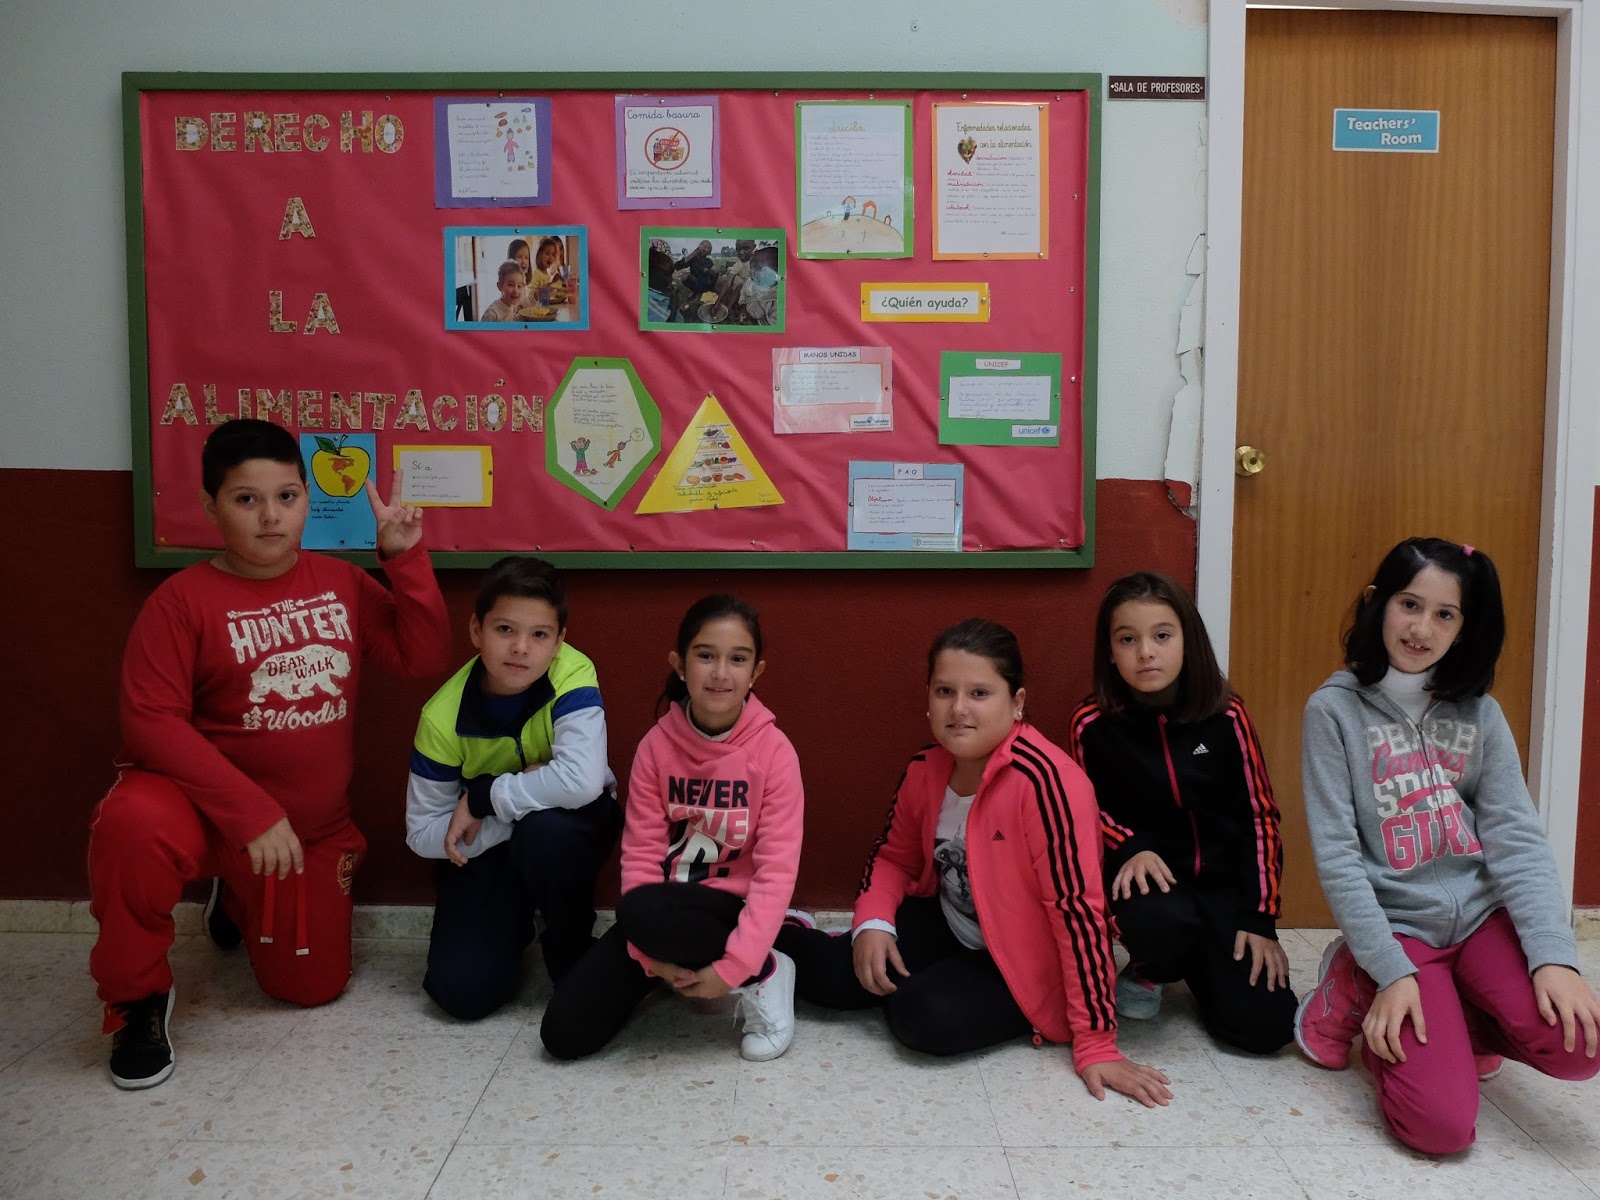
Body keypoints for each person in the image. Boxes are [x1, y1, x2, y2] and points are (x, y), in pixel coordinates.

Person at [88, 419, 452, 1089]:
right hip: (209, 815)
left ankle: (237, 898)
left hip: (305, 831)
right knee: (130, 822)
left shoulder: (340, 583)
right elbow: (150, 722)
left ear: (308, 499)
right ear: (210, 506)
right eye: (246, 500)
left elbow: (421, 655)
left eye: (286, 497)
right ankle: (135, 999)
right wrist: (250, 813)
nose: (270, 517)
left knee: (309, 989)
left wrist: (404, 558)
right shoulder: (179, 603)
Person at [777, 619, 1173, 1107]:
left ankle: (935, 983)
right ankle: (753, 929)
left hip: (1025, 961)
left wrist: (1096, 1042)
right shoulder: (926, 768)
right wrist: (874, 923)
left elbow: (1077, 913)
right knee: (830, 977)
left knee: (921, 1018)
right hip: (951, 923)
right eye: (945, 691)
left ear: (1017, 702)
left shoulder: (1048, 784)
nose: (959, 709)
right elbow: (893, 857)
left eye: (980, 693)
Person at [1296, 537, 1600, 1154]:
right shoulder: (1333, 711)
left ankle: (1460, 1019)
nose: (1421, 628)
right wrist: (1391, 969)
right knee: (1440, 1128)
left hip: (1482, 917)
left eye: (1444, 614)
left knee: (1579, 1046)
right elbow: (1338, 856)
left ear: (1463, 629)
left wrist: (1554, 958)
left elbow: (1517, 839)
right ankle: (1356, 977)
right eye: (1409, 605)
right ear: (1377, 603)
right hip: (1402, 928)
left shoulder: (1480, 714)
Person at [540, 595, 803, 1062]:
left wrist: (733, 968)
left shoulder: (775, 752)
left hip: (731, 912)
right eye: (705, 655)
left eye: (737, 659)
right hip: (657, 914)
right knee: (562, 1035)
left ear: (756, 672)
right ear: (679, 664)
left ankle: (764, 969)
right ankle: (697, 956)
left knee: (837, 981)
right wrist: (650, 960)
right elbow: (641, 856)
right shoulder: (656, 747)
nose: (720, 673)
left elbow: (775, 872)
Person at [1066, 573, 1295, 1054]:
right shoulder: (1091, 724)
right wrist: (1131, 845)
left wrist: (1260, 919)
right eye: (1127, 639)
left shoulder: (1228, 716)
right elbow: (1085, 811)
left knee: (1265, 1029)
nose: (1146, 652)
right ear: (1110, 651)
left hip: (1222, 890)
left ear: (1187, 640)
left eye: (1162, 635)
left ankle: (1204, 961)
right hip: (1152, 886)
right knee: (1160, 923)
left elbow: (1259, 818)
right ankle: (1152, 967)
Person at [406, 556, 620, 1019]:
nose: (521, 648)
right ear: (476, 630)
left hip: (569, 830)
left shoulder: (573, 672)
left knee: (548, 832)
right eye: (505, 629)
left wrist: (483, 798)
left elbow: (582, 782)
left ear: (559, 641)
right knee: (461, 992)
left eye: (540, 635)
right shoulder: (441, 717)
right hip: (488, 848)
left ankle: (569, 946)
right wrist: (508, 815)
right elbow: (422, 833)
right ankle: (512, 925)